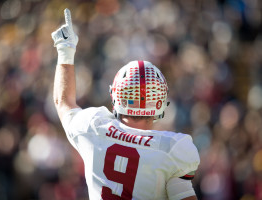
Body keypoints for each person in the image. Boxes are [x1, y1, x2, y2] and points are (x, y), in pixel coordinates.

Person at [51, 8, 200, 200]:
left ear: (116, 95)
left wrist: (65, 49)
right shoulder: (171, 148)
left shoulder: (93, 127)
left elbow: (63, 101)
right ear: (161, 101)